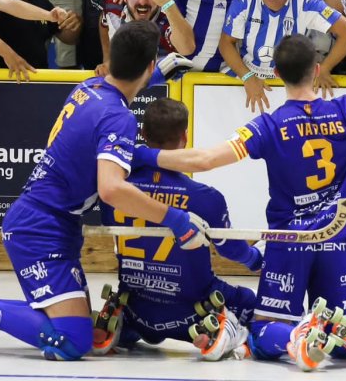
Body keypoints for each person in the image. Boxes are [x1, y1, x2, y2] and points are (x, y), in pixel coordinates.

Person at [129, 8, 346, 370]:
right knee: (340, 328)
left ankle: (299, 335)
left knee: (263, 335)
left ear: (276, 74)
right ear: (316, 69)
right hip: (335, 237)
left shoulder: (268, 126)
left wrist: (140, 154)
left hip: (288, 240)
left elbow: (203, 161)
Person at [0, 21, 211, 361]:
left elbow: (106, 106)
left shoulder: (88, 86)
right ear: (147, 66)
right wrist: (175, 220)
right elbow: (111, 188)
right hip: (40, 229)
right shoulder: (119, 118)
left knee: (80, 327)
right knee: (74, 341)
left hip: (49, 224)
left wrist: (157, 73)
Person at [94, 97, 260, 360]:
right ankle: (222, 328)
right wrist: (256, 260)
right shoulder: (206, 197)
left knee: (133, 304)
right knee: (257, 304)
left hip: (138, 307)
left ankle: (120, 321)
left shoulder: (113, 190)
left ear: (143, 133)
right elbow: (232, 251)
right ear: (184, 136)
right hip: (192, 312)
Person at [221, 0, 346, 107]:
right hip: (244, 78)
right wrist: (247, 76)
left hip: (288, 84)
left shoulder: (305, 1)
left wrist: (326, 67)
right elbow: (226, 43)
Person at [99, 0, 196, 76]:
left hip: (159, 85)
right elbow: (104, 24)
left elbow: (187, 49)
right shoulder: (113, 5)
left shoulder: (168, 16)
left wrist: (168, 4)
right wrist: (107, 59)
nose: (142, 2)